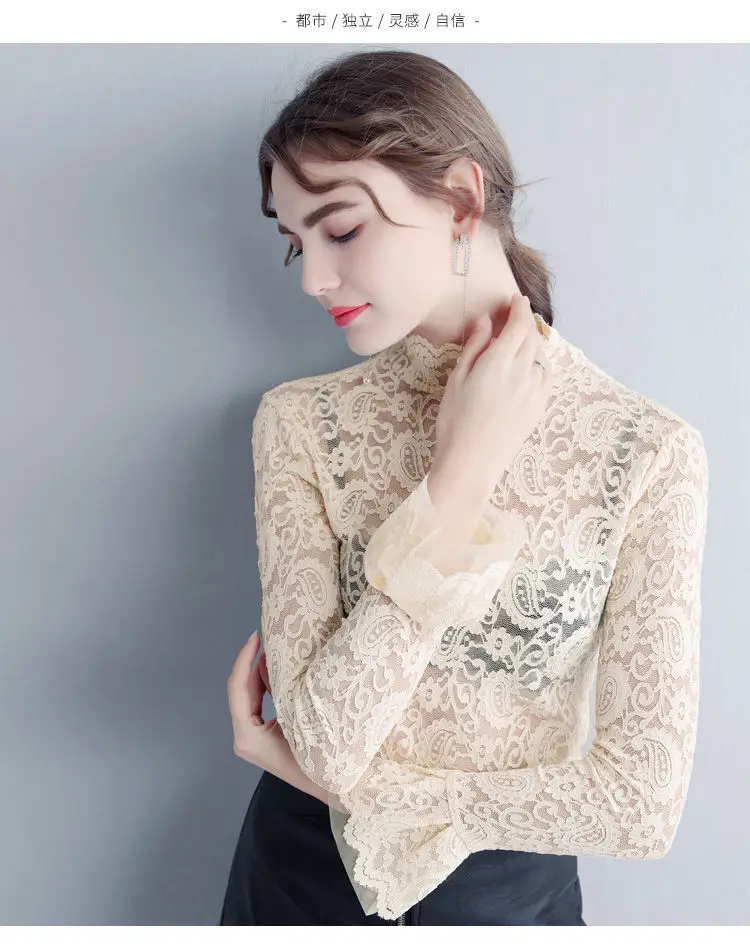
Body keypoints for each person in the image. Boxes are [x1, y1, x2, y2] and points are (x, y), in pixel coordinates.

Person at [219, 49, 709, 926]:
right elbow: (325, 745)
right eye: (296, 244)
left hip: (510, 907)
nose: (313, 278)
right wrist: (458, 482)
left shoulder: (647, 451)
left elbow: (641, 806)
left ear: (460, 198)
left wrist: (382, 799)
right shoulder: (298, 425)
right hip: (297, 883)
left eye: (341, 230)